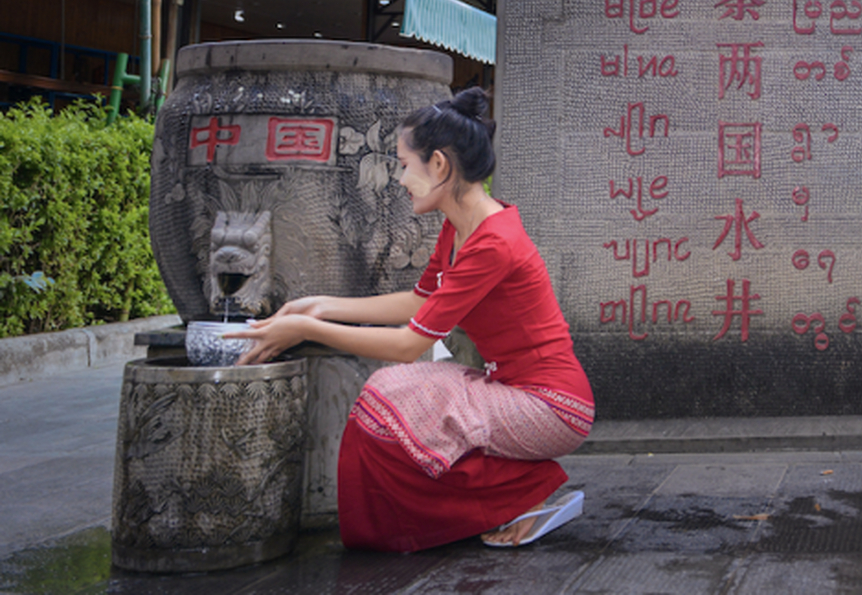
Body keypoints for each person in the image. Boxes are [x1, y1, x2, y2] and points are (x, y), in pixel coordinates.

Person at [230, 88, 595, 549]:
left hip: (551, 405)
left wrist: (303, 328)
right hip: (510, 389)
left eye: (405, 165)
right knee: (388, 397)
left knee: (390, 399)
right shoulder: (460, 225)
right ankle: (514, 491)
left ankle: (521, 493)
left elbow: (408, 344)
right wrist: (318, 305)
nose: (400, 179)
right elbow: (418, 301)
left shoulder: (492, 242)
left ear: (439, 165)